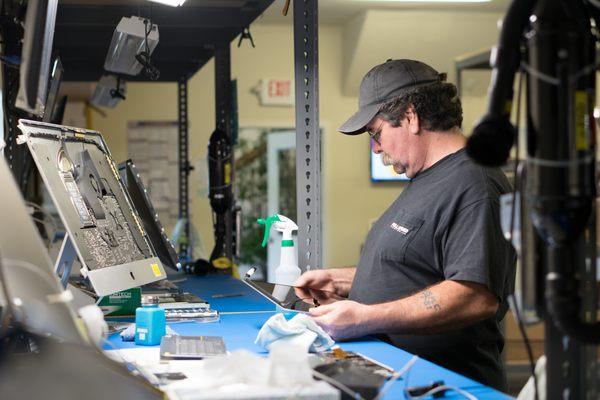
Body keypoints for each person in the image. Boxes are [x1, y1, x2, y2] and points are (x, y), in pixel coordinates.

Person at [295, 59, 516, 392]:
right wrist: (343, 279)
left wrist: (363, 318)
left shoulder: (475, 184)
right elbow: (422, 265)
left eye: (377, 133)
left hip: (447, 385)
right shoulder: (428, 177)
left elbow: (475, 296)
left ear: (410, 117)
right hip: (397, 375)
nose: (376, 147)